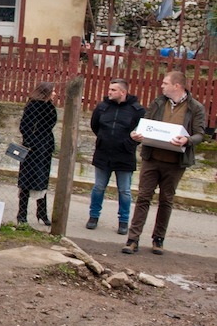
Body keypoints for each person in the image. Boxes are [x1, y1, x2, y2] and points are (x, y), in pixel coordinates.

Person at [124, 71, 205, 255]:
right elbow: (145, 123)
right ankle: (133, 239)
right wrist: (136, 133)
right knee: (143, 197)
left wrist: (187, 140)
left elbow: (200, 134)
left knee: (166, 200)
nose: (162, 86)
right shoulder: (158, 102)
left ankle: (158, 239)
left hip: (175, 162)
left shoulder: (195, 107)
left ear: (177, 86)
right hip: (152, 158)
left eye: (165, 83)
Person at [86, 79, 145, 234]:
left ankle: (123, 221)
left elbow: (140, 133)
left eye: (113, 90)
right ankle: (93, 216)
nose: (109, 92)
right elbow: (95, 126)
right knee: (99, 187)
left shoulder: (137, 110)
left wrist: (128, 143)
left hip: (125, 155)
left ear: (123, 92)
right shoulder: (102, 107)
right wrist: (104, 140)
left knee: (124, 190)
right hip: (103, 153)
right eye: (109, 89)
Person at [16, 82, 58, 226]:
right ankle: (22, 214)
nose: (54, 94)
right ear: (46, 92)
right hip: (33, 150)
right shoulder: (34, 105)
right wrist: (32, 144)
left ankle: (42, 212)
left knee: (42, 181)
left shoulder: (49, 105)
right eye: (52, 91)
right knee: (26, 181)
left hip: (45, 149)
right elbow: (25, 127)